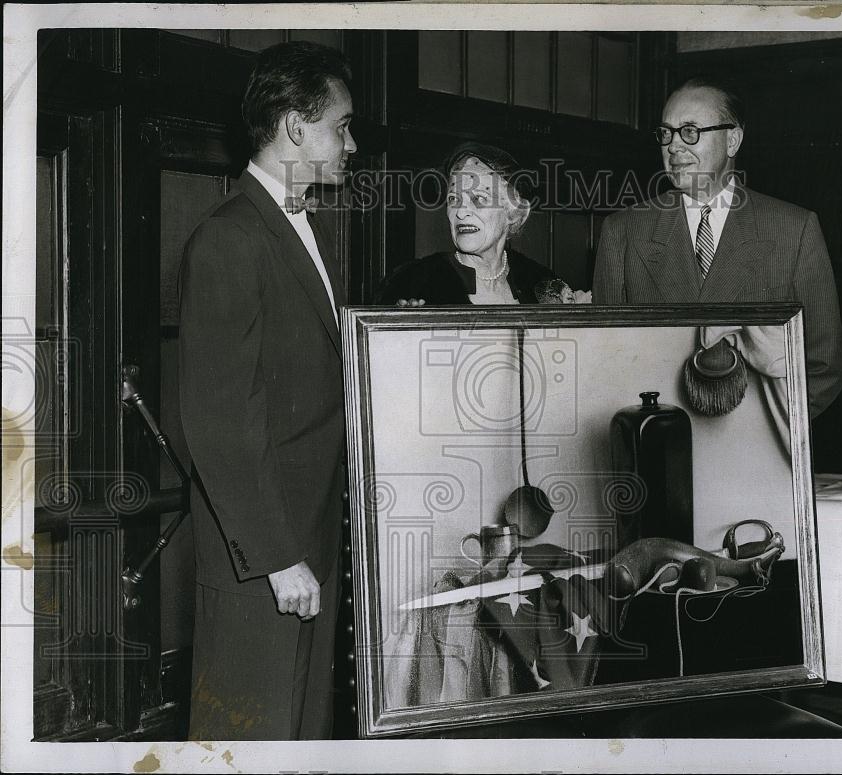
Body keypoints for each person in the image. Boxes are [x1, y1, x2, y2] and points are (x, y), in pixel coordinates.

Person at [178, 41, 356, 740]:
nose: (351, 141)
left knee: (299, 730)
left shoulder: (297, 224)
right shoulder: (230, 237)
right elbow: (219, 419)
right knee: (250, 735)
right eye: (340, 125)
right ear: (294, 126)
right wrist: (279, 557)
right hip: (266, 555)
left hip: (306, 537)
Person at [592, 77, 842, 418]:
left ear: (732, 140)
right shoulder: (622, 231)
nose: (674, 147)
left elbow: (826, 364)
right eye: (666, 133)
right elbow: (604, 360)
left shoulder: (794, 228)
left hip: (756, 447)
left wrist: (768, 427)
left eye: (690, 131)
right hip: (659, 441)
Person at [377, 142, 560, 305]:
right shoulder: (410, 284)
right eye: (453, 198)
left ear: (515, 213)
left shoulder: (542, 284)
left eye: (479, 198)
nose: (461, 212)